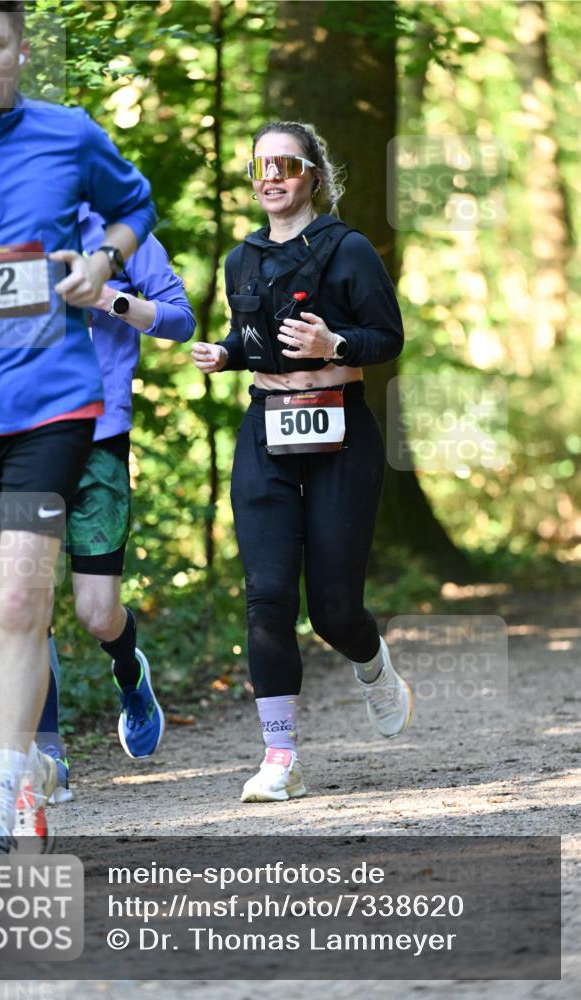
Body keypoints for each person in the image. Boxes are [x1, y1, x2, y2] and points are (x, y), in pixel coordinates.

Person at [0, 0, 156, 850]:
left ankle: (3, 789)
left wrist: (101, 260)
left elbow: (134, 204)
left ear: (20, 52)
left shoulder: (68, 134)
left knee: (22, 598)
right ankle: (23, 776)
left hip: (52, 400)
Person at [191, 121, 413, 802]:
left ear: (312, 173)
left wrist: (334, 342)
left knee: (334, 610)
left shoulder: (347, 250)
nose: (270, 176)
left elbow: (387, 339)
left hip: (341, 433)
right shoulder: (241, 259)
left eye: (284, 164)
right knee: (266, 599)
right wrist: (227, 353)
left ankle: (371, 664)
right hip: (268, 433)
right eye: (260, 165)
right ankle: (279, 755)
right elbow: (252, 335)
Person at [35, 204, 196, 803]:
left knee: (98, 613)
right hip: (18, 435)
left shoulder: (121, 237)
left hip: (100, 437)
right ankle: (48, 753)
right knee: (25, 596)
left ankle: (131, 674)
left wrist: (110, 300)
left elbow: (181, 320)